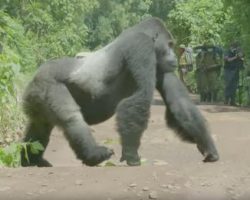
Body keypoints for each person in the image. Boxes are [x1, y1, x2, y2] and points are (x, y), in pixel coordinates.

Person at [224, 42, 244, 106]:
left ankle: (233, 101)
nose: (234, 49)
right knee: (228, 84)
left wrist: (240, 55)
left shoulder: (237, 52)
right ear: (231, 47)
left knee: (234, 86)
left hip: (236, 70)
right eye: (234, 47)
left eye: (235, 47)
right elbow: (227, 59)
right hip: (228, 70)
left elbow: (242, 58)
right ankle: (226, 100)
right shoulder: (227, 52)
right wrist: (235, 57)